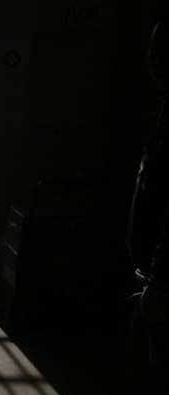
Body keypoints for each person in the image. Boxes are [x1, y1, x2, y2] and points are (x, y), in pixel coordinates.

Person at [128, 16, 169, 367]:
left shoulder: (168, 122)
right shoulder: (165, 115)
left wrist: (158, 278)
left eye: (159, 54)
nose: (152, 62)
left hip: (162, 278)